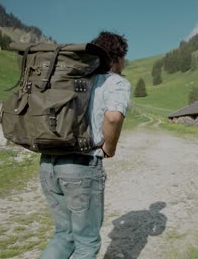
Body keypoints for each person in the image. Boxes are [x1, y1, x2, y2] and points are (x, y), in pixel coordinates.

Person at [39, 31, 131, 259]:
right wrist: (110, 147)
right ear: (118, 59)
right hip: (80, 167)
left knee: (63, 235)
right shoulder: (115, 82)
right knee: (86, 243)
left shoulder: (69, 78)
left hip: (48, 164)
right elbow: (113, 117)